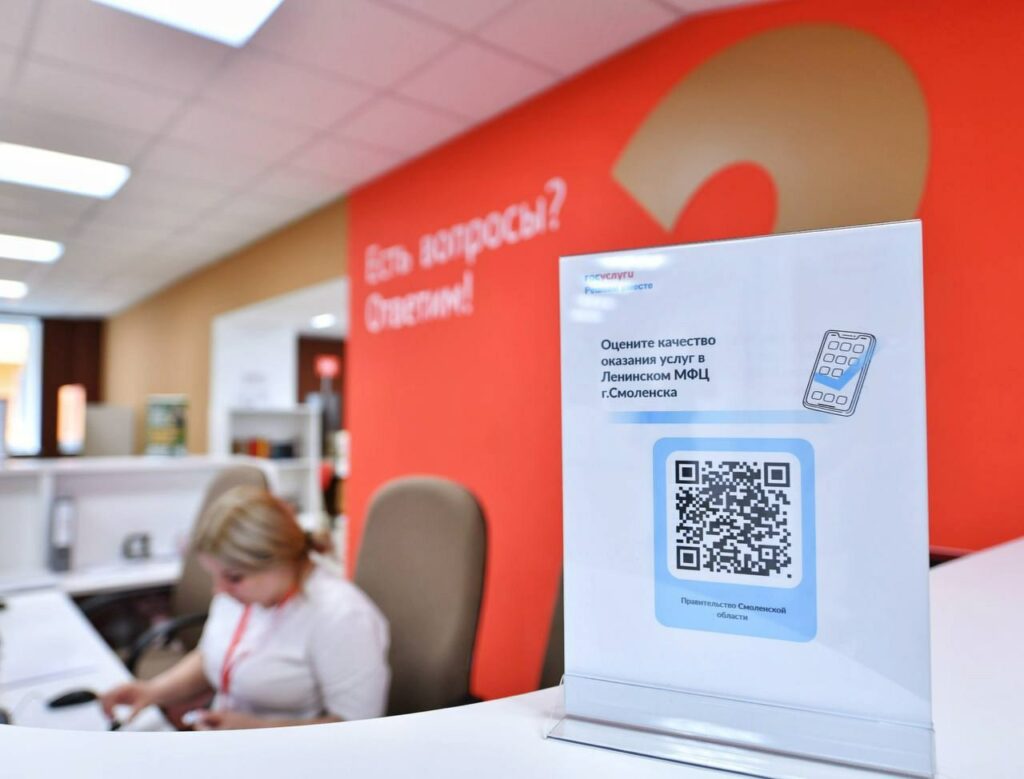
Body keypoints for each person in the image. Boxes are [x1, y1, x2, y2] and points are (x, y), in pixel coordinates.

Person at [100, 486, 390, 730]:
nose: (219, 590)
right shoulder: (242, 593)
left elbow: (356, 727)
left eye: (233, 577)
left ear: (281, 558)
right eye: (215, 576)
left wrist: (254, 729)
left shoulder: (342, 617)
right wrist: (152, 692)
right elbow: (212, 656)